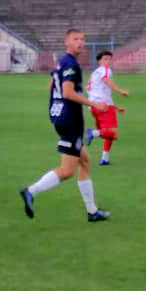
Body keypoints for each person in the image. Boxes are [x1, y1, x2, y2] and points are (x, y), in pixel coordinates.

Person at [19, 29, 111, 222]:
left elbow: (52, 85)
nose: (80, 43)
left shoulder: (62, 62)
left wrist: (57, 101)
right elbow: (68, 93)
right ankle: (30, 191)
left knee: (85, 161)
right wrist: (94, 104)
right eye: (76, 39)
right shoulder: (70, 64)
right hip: (70, 120)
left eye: (82, 39)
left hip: (62, 117)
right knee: (68, 170)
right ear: (66, 43)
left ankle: (92, 211)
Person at [86, 50, 131, 166]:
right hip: (103, 106)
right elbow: (107, 81)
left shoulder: (94, 74)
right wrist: (121, 91)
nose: (108, 61)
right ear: (99, 61)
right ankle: (92, 133)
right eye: (105, 58)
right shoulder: (104, 70)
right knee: (112, 133)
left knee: (108, 133)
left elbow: (99, 92)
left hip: (95, 107)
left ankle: (104, 158)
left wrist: (115, 107)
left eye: (109, 59)